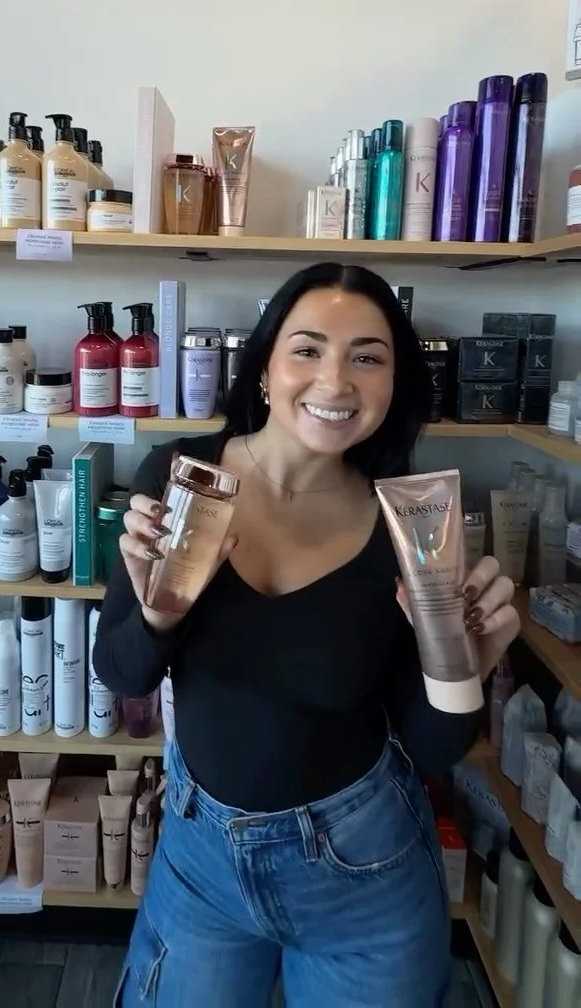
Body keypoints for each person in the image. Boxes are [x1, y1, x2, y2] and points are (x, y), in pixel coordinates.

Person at [95, 262, 519, 1008]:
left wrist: (462, 670)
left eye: (367, 357)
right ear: (264, 368)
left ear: (393, 385)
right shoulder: (181, 476)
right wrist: (161, 613)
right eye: (308, 349)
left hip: (365, 874)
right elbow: (122, 671)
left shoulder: (404, 525)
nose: (335, 380)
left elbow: (431, 746)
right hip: (201, 861)